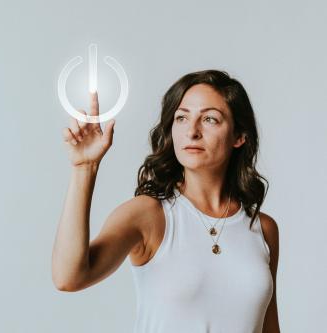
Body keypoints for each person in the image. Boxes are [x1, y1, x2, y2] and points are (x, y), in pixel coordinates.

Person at [51, 69, 280, 333]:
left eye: (210, 119)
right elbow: (68, 277)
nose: (192, 131)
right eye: (181, 117)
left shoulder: (263, 229)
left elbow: (270, 328)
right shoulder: (147, 214)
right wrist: (85, 168)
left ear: (240, 136)